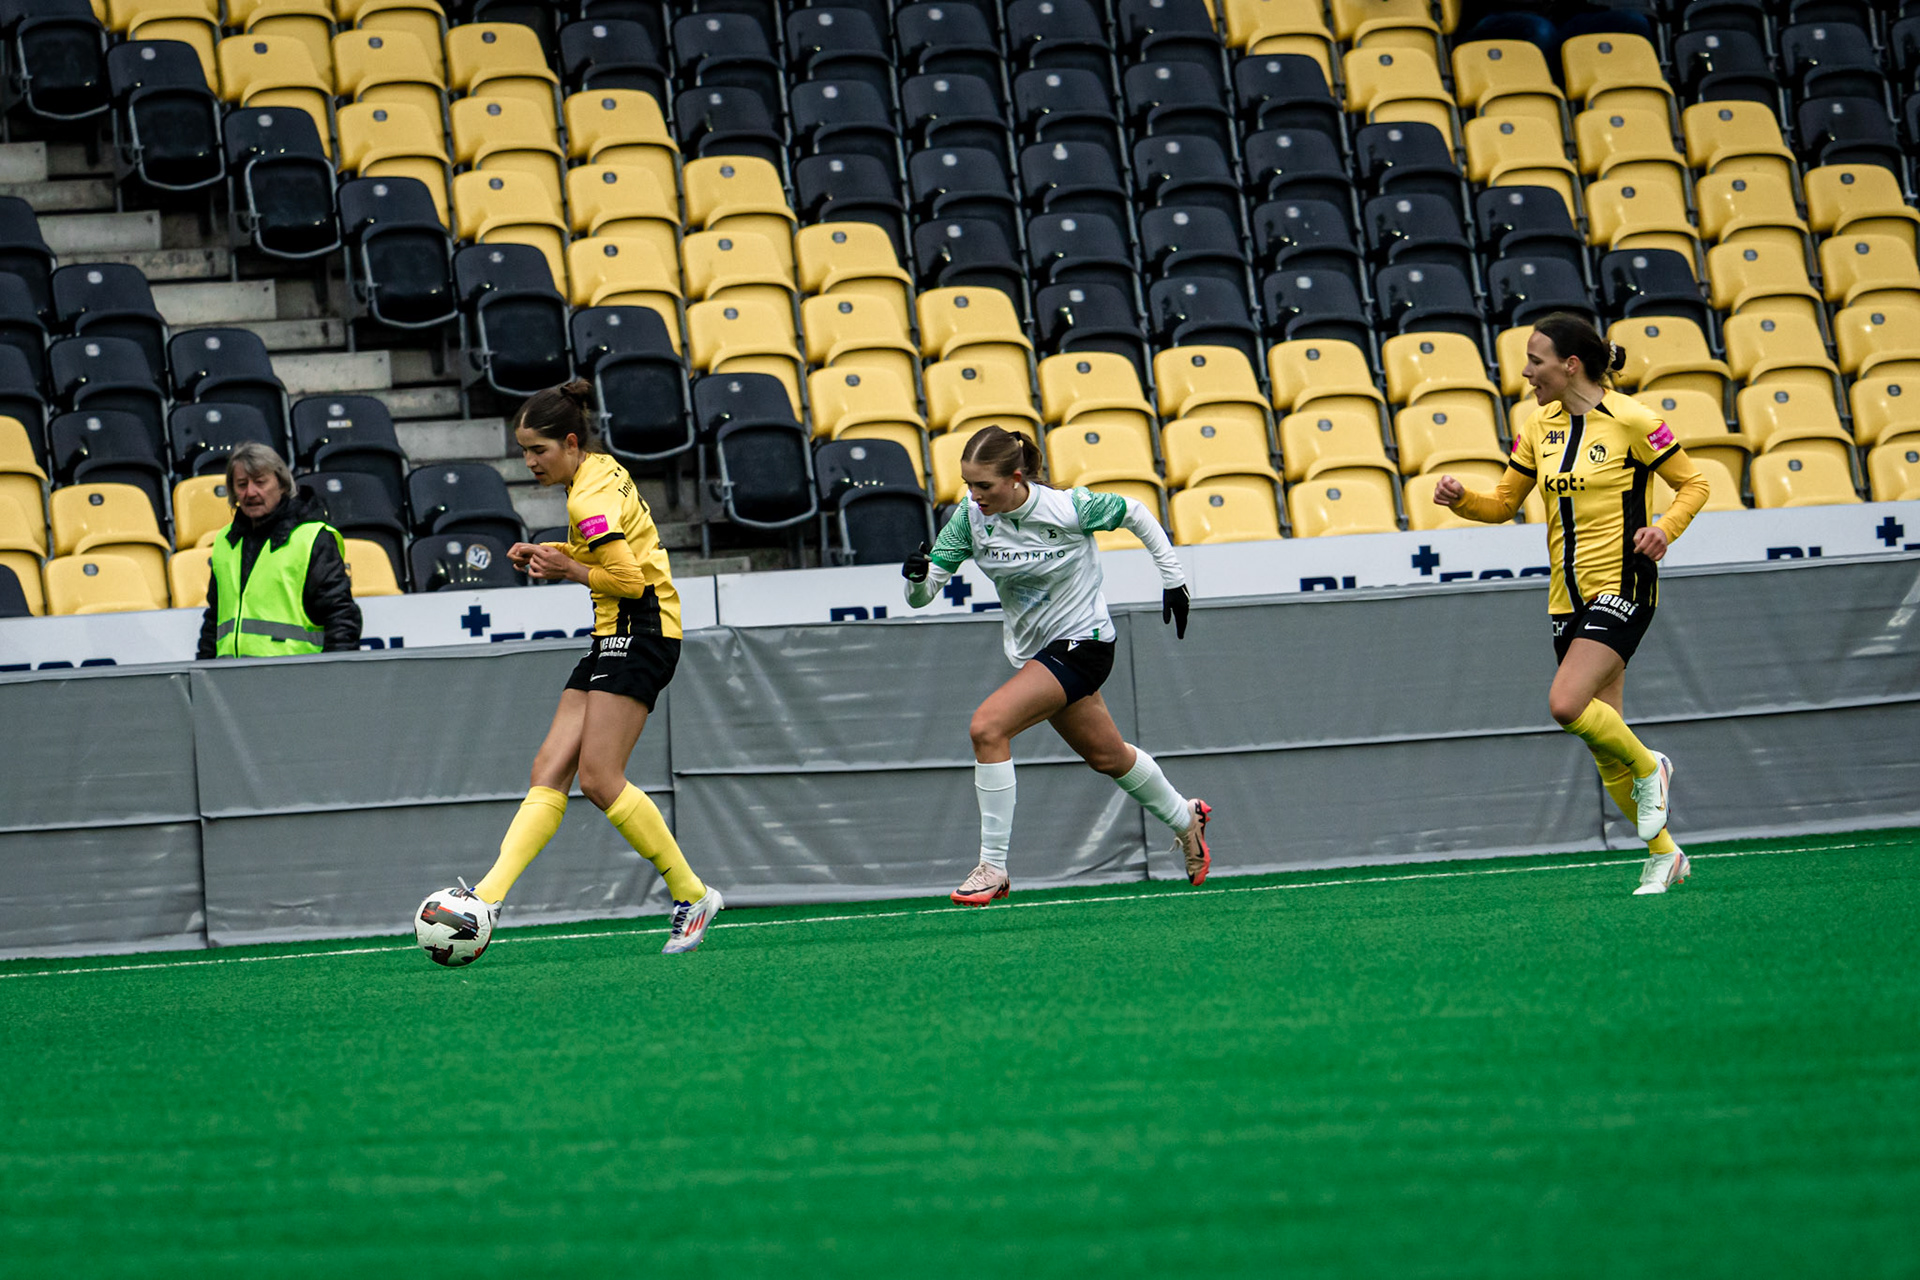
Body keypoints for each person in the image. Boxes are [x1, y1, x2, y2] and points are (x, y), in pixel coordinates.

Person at [1432, 313, 1713, 896]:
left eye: (1536, 361)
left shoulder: (1636, 420)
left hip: (1624, 585)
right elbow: (1504, 504)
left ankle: (1652, 767)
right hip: (1566, 596)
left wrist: (1666, 528)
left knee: (1565, 704)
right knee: (1602, 742)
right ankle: (1666, 856)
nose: (1527, 373)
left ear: (1571, 365)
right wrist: (1462, 501)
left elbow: (1696, 483)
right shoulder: (1536, 427)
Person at [902, 425, 1212, 905]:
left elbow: (1135, 512)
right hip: (1039, 654)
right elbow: (922, 597)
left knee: (987, 727)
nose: (974, 495)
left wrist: (1173, 579)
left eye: (984, 485)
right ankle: (1185, 816)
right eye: (968, 484)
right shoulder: (969, 519)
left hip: (1084, 643)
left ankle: (993, 867)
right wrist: (916, 579)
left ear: (1016, 477)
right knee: (1108, 757)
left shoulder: (1067, 508)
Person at [466, 380, 723, 954]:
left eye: (539, 450)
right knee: (549, 767)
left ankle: (692, 893)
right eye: (524, 451)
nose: (529, 461)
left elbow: (629, 580)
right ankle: (486, 900)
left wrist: (567, 569)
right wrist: (554, 553)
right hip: (615, 632)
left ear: (571, 442)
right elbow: (612, 546)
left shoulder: (587, 497)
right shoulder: (598, 471)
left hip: (642, 631)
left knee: (599, 779)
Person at [197, 442, 361, 659]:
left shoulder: (312, 539)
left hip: (297, 681)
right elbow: (214, 620)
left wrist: (332, 676)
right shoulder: (225, 543)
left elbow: (340, 617)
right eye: (242, 484)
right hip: (231, 684)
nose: (251, 492)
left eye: (260, 482)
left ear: (282, 484)